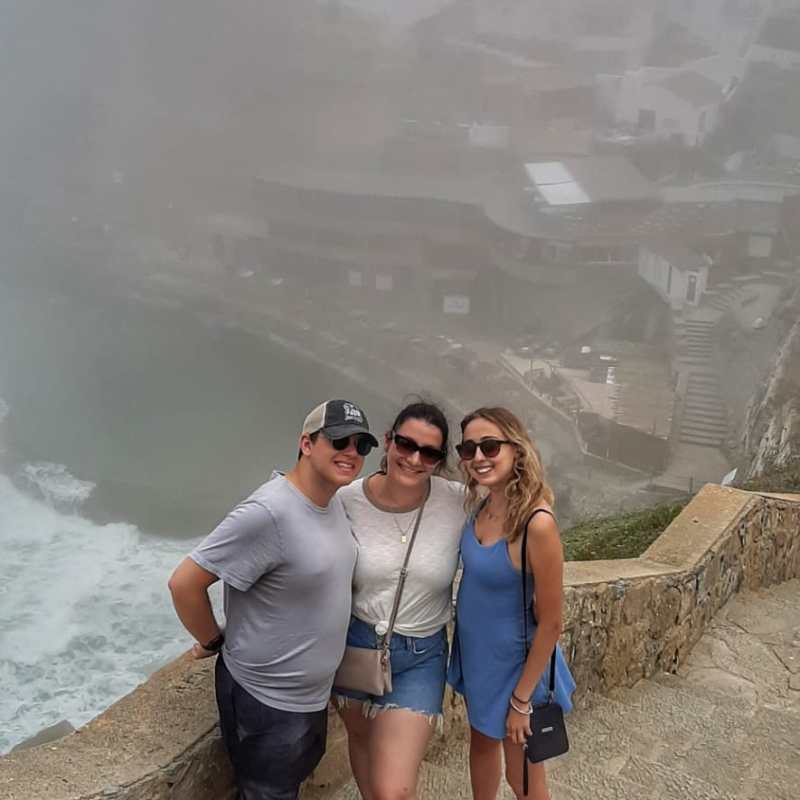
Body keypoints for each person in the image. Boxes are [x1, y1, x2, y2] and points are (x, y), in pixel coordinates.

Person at [168, 399, 377, 800]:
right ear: (306, 443)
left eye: (360, 446)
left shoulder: (330, 501)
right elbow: (185, 584)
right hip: (266, 704)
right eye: (338, 441)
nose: (350, 452)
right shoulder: (268, 512)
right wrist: (214, 641)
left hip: (308, 698)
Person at [332, 401, 465, 800]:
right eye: (405, 444)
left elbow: (512, 510)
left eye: (429, 452)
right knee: (363, 744)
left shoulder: (459, 502)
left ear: (440, 461)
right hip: (353, 644)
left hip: (421, 654)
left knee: (395, 790)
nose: (413, 458)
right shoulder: (346, 501)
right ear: (388, 441)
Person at [448, 407, 575, 800]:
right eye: (469, 449)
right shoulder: (482, 506)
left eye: (489, 446)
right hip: (479, 659)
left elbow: (552, 623)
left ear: (516, 450)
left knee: (523, 782)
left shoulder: (536, 523)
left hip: (516, 668)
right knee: (482, 746)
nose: (478, 458)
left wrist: (521, 701)